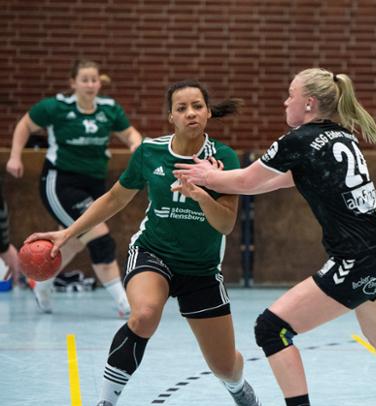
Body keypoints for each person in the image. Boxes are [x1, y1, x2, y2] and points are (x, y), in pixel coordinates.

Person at [173, 68, 376, 406]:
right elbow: (272, 182)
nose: (285, 101)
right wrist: (217, 180)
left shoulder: (299, 140)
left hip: (355, 260)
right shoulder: (340, 135)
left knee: (271, 329)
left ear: (309, 103)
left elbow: (246, 181)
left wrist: (208, 176)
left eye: (291, 95)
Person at [25, 80, 261, 406]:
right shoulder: (150, 152)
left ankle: (238, 388)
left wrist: (200, 194)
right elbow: (114, 199)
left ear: (208, 112)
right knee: (144, 315)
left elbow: (225, 224)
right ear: (171, 117)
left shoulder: (224, 158)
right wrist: (68, 233)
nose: (190, 113)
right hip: (153, 252)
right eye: (182, 108)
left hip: (202, 268)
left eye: (197, 106)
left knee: (224, 366)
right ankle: (106, 402)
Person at [7, 59, 141, 316]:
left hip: (95, 184)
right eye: (85, 80)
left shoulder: (109, 109)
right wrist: (15, 156)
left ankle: (41, 283)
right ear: (73, 83)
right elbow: (25, 124)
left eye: (94, 80)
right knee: (99, 238)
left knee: (74, 241)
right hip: (61, 182)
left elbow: (130, 134)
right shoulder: (56, 107)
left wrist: (136, 144)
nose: (90, 84)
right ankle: (124, 304)